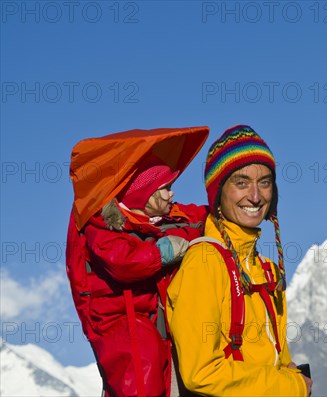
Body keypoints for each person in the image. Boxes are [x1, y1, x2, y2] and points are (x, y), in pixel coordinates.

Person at [167, 125, 312, 396]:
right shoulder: (204, 262)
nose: (255, 196)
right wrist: (292, 387)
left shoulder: (267, 271)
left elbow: (280, 359)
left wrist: (292, 376)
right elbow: (201, 372)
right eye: (241, 183)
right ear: (218, 192)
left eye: (265, 182)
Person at [72, 157, 207, 397]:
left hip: (153, 324)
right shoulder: (102, 225)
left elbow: (197, 216)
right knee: (143, 380)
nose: (171, 193)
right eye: (165, 188)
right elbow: (124, 262)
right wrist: (161, 252)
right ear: (144, 194)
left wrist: (223, 203)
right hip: (122, 326)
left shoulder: (159, 219)